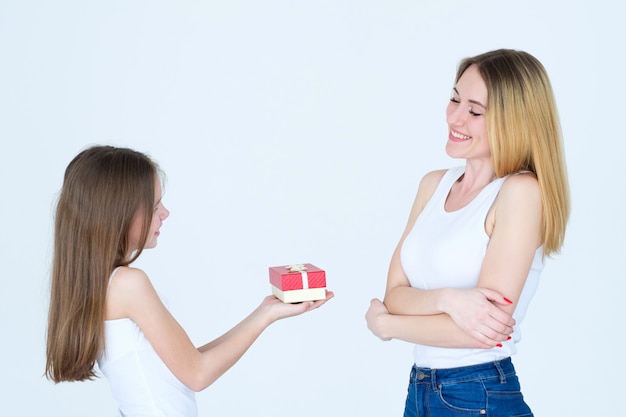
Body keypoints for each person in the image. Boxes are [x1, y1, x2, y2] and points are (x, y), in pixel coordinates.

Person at [45, 145, 333, 417]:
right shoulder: (128, 284)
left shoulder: (104, 282)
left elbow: (188, 362)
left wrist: (266, 311)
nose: (165, 214)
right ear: (117, 212)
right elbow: (198, 374)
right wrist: (265, 318)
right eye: (155, 206)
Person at [365, 49, 570, 417]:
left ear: (516, 120)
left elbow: (482, 331)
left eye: (475, 111)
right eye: (454, 99)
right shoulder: (433, 185)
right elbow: (394, 293)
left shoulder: (520, 193)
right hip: (421, 390)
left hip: (477, 393)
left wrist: (388, 325)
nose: (454, 117)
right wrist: (449, 300)